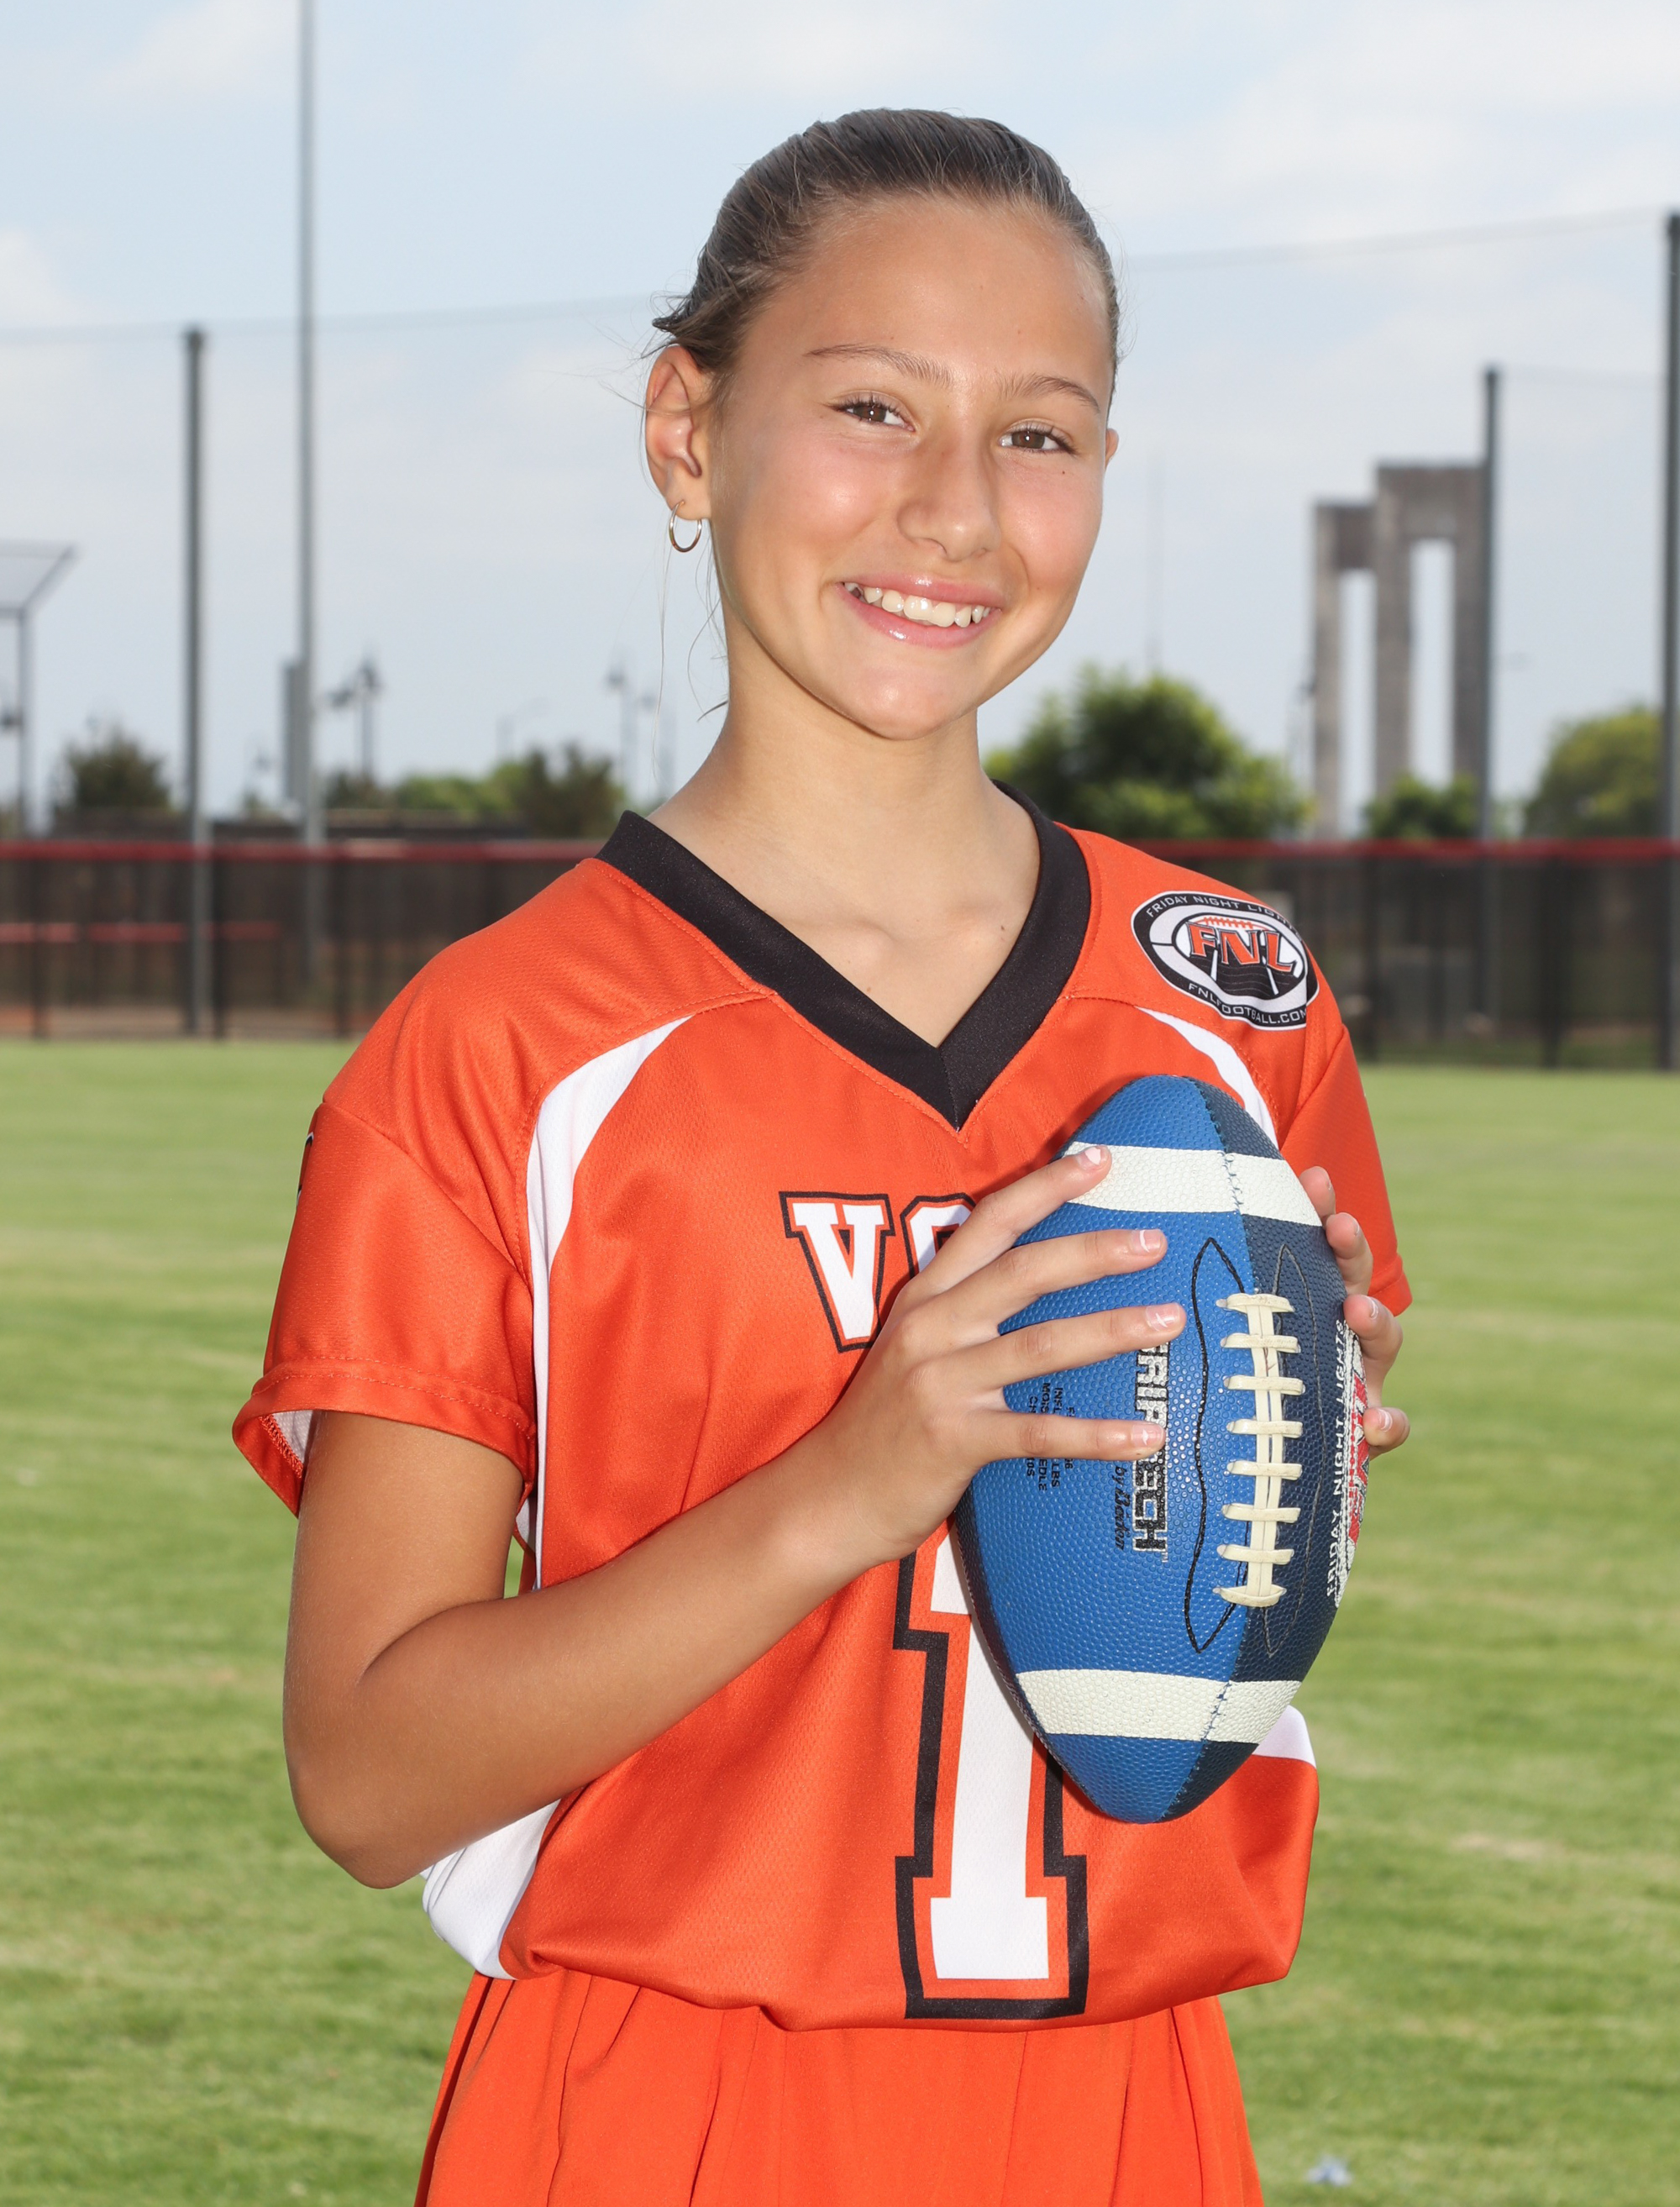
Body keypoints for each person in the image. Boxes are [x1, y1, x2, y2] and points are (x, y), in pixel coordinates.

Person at [234, 109, 1410, 2207]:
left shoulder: (1228, 1001)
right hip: (660, 2110)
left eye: (1038, 434)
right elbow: (366, 1770)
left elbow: (1177, 1625)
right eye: (872, 405)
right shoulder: (500, 1047)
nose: (954, 506)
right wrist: (853, 1482)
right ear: (689, 430)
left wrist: (1274, 1444)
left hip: (1129, 2105)